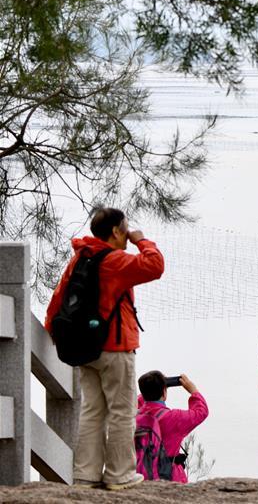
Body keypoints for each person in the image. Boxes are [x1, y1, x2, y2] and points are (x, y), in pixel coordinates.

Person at [43, 207, 164, 490]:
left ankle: (86, 474)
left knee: (93, 410)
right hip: (116, 347)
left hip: (86, 348)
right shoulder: (115, 260)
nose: (128, 232)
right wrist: (141, 240)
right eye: (126, 228)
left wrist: (54, 331)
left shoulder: (81, 257)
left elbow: (59, 296)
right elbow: (155, 266)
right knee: (122, 411)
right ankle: (120, 475)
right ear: (116, 231)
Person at [135, 372, 209, 483]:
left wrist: (152, 387)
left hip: (140, 473)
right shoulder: (174, 418)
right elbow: (201, 412)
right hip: (170, 476)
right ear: (164, 393)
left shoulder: (135, 415)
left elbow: (141, 400)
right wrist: (193, 391)